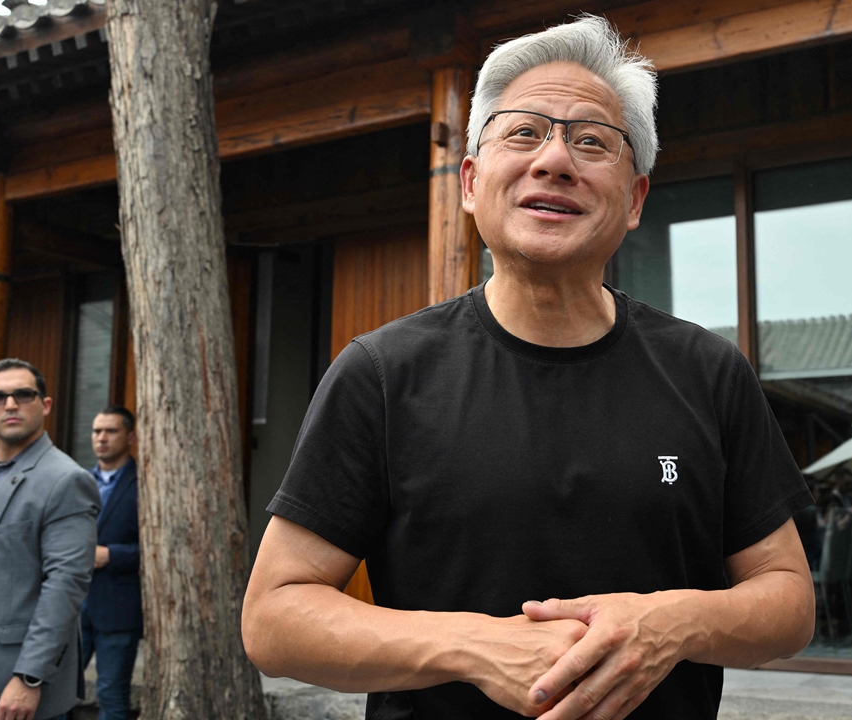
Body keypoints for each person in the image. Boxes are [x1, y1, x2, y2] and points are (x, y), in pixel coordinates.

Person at [242, 15, 815, 720]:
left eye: (592, 141)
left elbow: (787, 600)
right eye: (524, 133)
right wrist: (475, 645)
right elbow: (274, 617)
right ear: (472, 182)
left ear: (634, 199)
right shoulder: (383, 373)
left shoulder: (707, 372)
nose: (554, 161)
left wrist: (664, 625)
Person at [0, 359, 99, 720]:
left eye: (22, 394)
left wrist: (28, 677)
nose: (10, 404)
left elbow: (66, 584)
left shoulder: (66, 480)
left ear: (45, 405)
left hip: (15, 685)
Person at [80, 406, 141, 720]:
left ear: (130, 436)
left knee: (111, 695)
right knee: (57, 691)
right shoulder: (77, 482)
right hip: (72, 604)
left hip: (118, 608)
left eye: (110, 431)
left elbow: (160, 549)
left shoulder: (145, 485)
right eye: (96, 431)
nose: (101, 438)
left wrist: (112, 555)